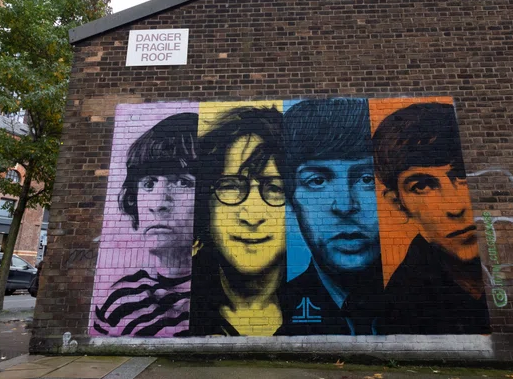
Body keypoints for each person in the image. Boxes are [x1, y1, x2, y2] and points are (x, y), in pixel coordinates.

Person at [373, 102, 490, 335]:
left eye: (462, 174)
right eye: (423, 186)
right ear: (398, 204)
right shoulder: (400, 306)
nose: (455, 207)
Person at [279, 98, 384, 336]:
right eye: (317, 181)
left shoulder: (431, 300)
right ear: (291, 198)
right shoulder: (277, 312)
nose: (345, 205)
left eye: (367, 179)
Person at [93, 112, 198, 337]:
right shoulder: (118, 301)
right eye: (148, 183)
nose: (158, 204)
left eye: (183, 182)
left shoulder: (229, 302)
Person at [189, 106, 286, 336]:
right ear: (206, 204)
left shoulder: (329, 308)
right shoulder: (173, 305)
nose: (252, 216)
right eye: (231, 186)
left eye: (274, 188)